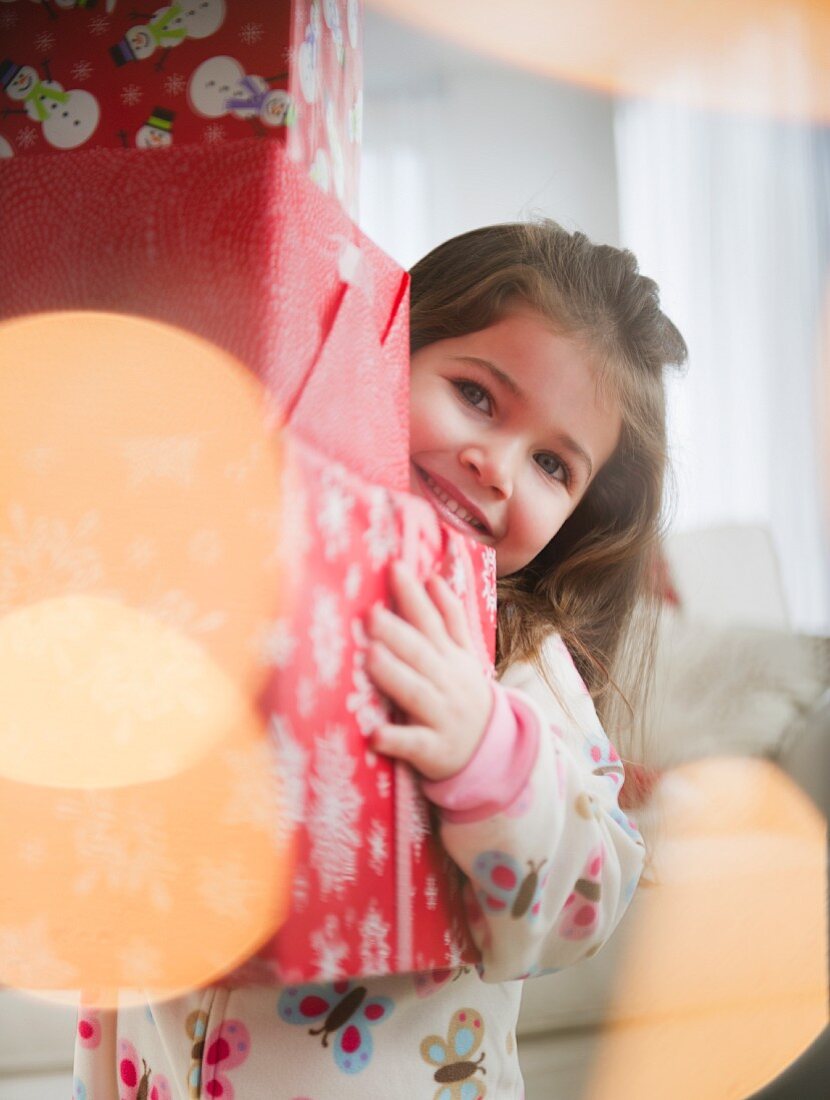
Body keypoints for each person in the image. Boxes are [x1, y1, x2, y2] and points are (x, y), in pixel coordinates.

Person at [73, 220, 686, 1099]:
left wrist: (490, 752)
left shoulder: (517, 660)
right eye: (476, 396)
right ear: (382, 356)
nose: (498, 466)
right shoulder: (248, 551)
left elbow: (588, 899)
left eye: (553, 463)